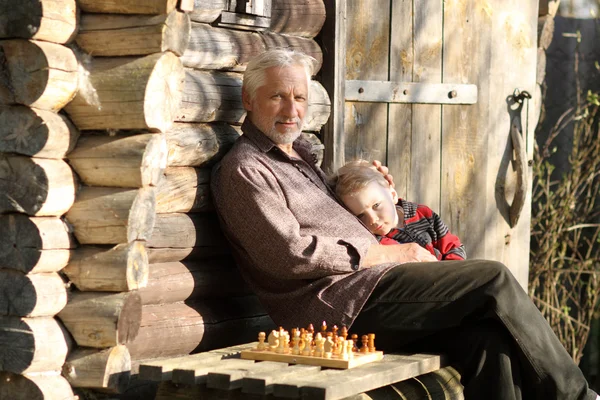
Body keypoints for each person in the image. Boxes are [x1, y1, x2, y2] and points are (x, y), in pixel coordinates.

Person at [211, 49, 598, 399]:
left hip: (370, 288)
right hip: (337, 305)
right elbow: (288, 255)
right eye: (278, 96)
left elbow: (332, 212)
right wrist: (385, 252)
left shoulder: (299, 158)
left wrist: (373, 182)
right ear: (248, 99)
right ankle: (576, 397)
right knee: (492, 279)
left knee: (487, 339)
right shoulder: (245, 170)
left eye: (299, 98)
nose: (291, 110)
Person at [329, 160, 466, 260]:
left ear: (393, 195)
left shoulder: (422, 214)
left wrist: (454, 268)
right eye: (361, 215)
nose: (372, 219)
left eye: (376, 205)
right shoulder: (375, 242)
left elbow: (452, 245)